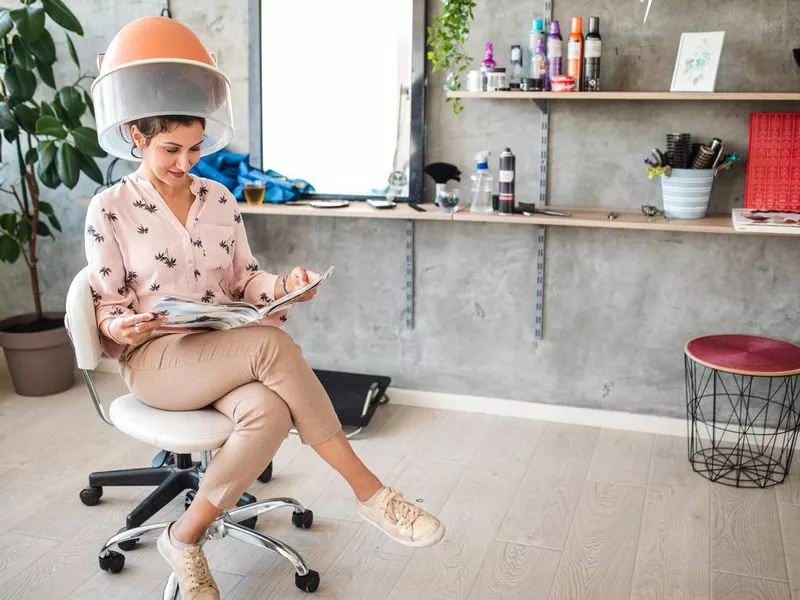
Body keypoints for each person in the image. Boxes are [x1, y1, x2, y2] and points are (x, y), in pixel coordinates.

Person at [84, 115, 445, 600]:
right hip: (155, 359)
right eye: (172, 149)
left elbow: (243, 280)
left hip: (219, 347)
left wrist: (283, 287)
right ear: (137, 135)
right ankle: (372, 494)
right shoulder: (110, 208)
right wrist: (116, 325)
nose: (185, 162)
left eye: (195, 149)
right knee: (270, 346)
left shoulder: (218, 198)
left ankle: (184, 538)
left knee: (270, 411)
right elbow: (106, 305)